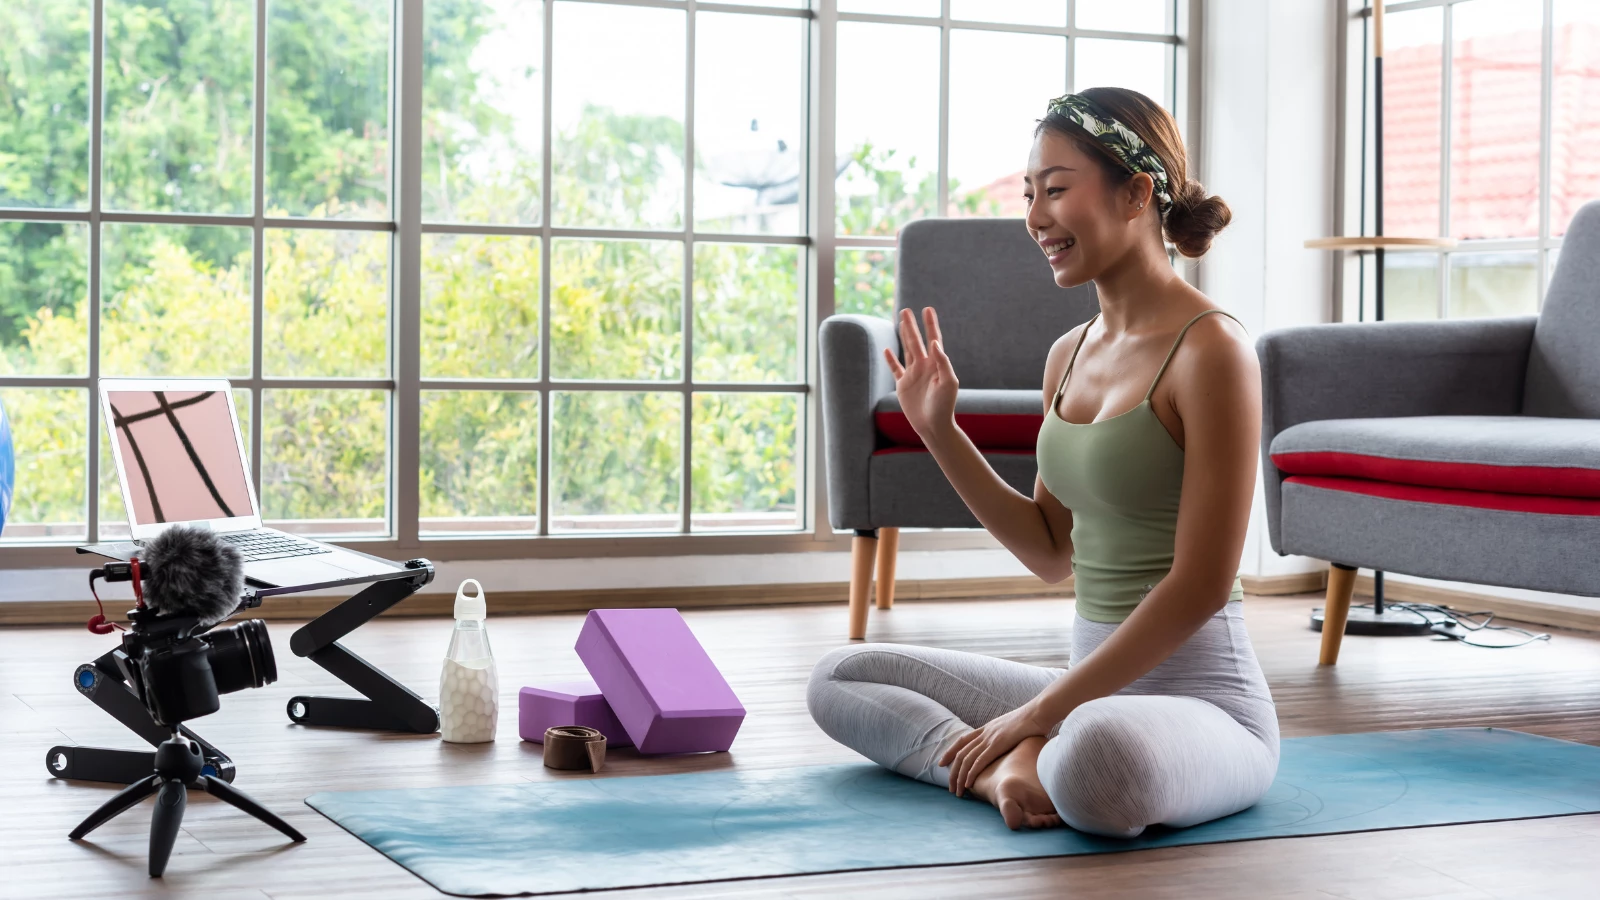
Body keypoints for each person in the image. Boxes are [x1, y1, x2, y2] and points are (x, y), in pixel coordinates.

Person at [807, 87, 1276, 838]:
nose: (1034, 218)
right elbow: (1050, 550)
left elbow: (1200, 585)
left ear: (1135, 192)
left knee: (1098, 763)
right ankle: (1000, 774)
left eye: (1055, 190)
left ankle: (1036, 751)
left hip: (1204, 710)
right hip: (1082, 693)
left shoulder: (1212, 351)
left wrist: (1039, 714)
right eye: (1030, 194)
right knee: (842, 675)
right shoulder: (1068, 355)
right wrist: (939, 431)